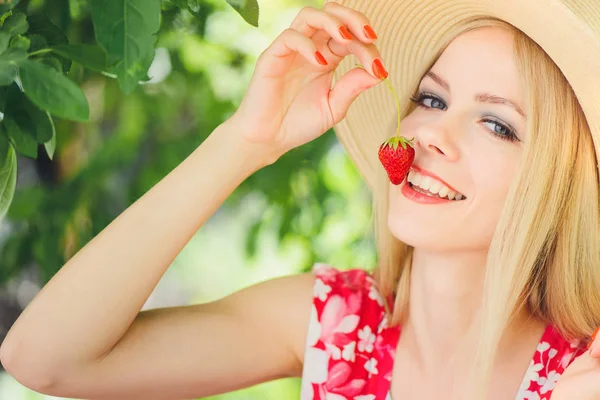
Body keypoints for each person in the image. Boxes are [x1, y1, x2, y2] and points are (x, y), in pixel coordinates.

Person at [1, 0, 600, 399]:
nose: (430, 135)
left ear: (560, 182)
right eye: (432, 100)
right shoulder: (338, 326)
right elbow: (43, 358)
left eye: (497, 124)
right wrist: (246, 142)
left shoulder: (582, 377)